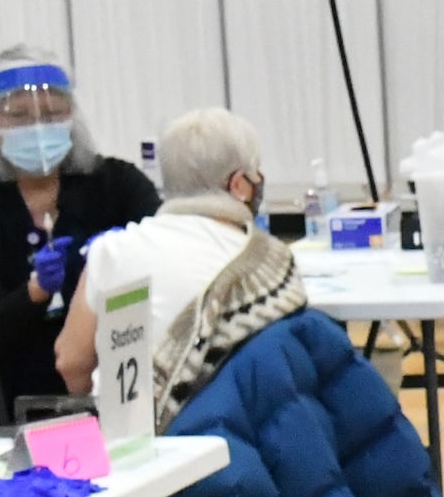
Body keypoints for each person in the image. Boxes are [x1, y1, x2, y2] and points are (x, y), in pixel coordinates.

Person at [0, 50, 158, 407]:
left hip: (111, 373)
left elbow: (161, 242)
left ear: (72, 115)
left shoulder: (118, 183)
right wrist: (36, 291)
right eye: (19, 116)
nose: (38, 129)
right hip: (6, 390)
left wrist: (119, 253)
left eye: (53, 114)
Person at [54, 108, 279, 401]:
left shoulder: (111, 251)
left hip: (127, 436)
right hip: (232, 431)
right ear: (239, 185)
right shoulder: (264, 259)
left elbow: (71, 363)